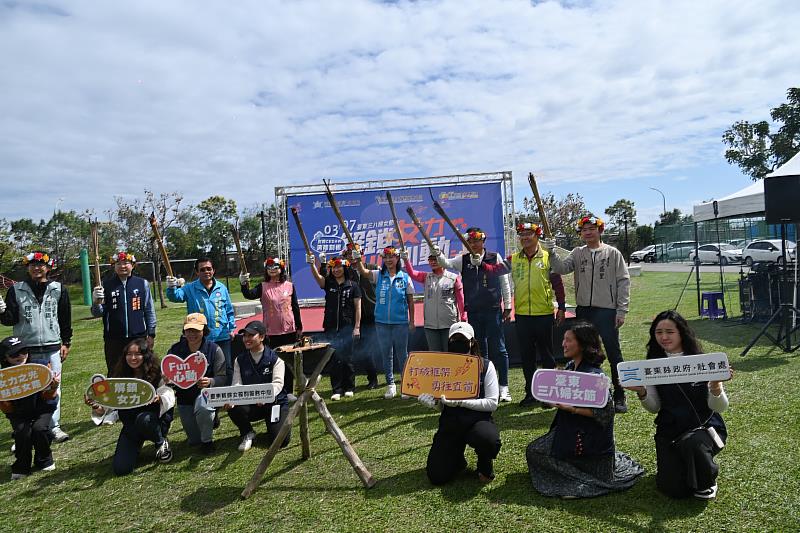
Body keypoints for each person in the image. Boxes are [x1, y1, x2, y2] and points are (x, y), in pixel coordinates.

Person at [526, 321, 643, 498]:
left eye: (569, 340)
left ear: (582, 344)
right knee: (534, 451)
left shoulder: (595, 377)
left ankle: (587, 483)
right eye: (564, 339)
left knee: (537, 453)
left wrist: (573, 409)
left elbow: (605, 414)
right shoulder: (570, 367)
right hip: (569, 432)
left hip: (590, 441)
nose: (563, 344)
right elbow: (558, 402)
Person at [626, 310, 729, 500]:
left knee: (693, 445)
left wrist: (715, 386)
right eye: (658, 332)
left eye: (670, 331)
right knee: (673, 489)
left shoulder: (702, 362)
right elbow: (654, 407)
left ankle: (708, 479)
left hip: (703, 427)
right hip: (670, 429)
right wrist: (642, 392)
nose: (664, 337)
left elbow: (720, 407)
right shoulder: (652, 366)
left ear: (682, 332)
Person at [544, 215, 631, 413]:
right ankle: (585, 391)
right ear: (580, 233)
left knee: (613, 351)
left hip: (607, 310)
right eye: (584, 230)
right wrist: (551, 251)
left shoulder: (612, 253)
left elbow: (623, 282)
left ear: (600, 230)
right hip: (584, 309)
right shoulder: (577, 253)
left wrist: (622, 309)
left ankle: (620, 393)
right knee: (583, 351)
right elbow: (560, 268)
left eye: (592, 228)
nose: (588, 232)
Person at [481, 223, 566, 407]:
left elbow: (557, 284)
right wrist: (479, 259)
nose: (525, 237)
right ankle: (530, 393)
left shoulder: (547, 257)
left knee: (547, 357)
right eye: (521, 234)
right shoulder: (514, 259)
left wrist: (561, 307)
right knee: (527, 357)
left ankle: (549, 396)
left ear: (537, 236)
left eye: (529, 234)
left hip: (543, 314)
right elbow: (494, 271)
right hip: (522, 315)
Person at [0, 251, 71, 443]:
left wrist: (66, 342)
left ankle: (53, 427)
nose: (36, 268)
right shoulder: (17, 290)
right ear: (27, 268)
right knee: (24, 390)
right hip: (24, 350)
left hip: (52, 346)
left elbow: (64, 318)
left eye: (40, 264)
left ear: (48, 267)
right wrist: (1, 311)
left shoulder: (58, 289)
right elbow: (10, 320)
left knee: (54, 386)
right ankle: (25, 431)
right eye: (32, 265)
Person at [435, 227, 513, 402]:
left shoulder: (494, 257)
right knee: (479, 350)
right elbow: (445, 263)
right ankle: (484, 386)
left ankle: (504, 387)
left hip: (493, 309)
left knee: (499, 348)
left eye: (477, 240)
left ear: (483, 241)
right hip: (474, 311)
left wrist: (507, 305)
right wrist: (437, 253)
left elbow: (504, 282)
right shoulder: (463, 260)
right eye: (470, 241)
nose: (474, 244)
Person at [418, 322, 501, 484]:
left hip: (477, 421)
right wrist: (433, 403)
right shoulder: (442, 369)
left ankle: (485, 465)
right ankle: (457, 461)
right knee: (437, 476)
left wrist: (462, 402)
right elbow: (442, 404)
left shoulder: (485, 366)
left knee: (487, 439)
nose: (458, 343)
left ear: (472, 342)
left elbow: (492, 403)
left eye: (462, 340)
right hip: (451, 423)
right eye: (454, 339)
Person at [84, 339, 175, 476]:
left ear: (145, 355)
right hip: (131, 426)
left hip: (154, 421)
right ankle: (135, 447)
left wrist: (159, 398)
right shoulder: (120, 378)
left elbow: (169, 394)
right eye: (129, 354)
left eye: (138, 354)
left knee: (143, 419)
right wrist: (97, 406)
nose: (133, 358)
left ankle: (161, 442)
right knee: (121, 469)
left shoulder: (157, 374)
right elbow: (107, 406)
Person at [353, 245, 415, 399]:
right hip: (381, 323)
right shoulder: (378, 275)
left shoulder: (405, 278)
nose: (388, 260)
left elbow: (411, 302)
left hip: (400, 322)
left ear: (397, 258)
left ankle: (405, 385)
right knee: (386, 354)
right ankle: (391, 385)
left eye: (391, 257)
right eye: (385, 257)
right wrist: (358, 259)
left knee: (402, 354)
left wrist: (412, 321)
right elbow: (363, 272)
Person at [166, 257, 236, 384]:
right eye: (202, 269)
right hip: (200, 336)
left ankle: (227, 398)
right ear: (197, 272)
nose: (206, 272)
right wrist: (172, 287)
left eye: (209, 269)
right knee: (200, 367)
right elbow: (175, 297)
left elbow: (229, 310)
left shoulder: (222, 288)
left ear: (213, 270)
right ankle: (200, 395)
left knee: (226, 367)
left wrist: (231, 328)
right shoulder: (190, 288)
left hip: (222, 335)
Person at [166, 313, 226, 453]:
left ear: (204, 330)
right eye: (188, 330)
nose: (192, 334)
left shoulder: (214, 349)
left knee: (204, 409)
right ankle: (210, 421)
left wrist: (210, 381)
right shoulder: (175, 350)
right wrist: (168, 380)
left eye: (196, 330)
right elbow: (167, 374)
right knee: (194, 441)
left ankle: (208, 442)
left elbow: (223, 377)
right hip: (184, 397)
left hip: (206, 394)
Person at [0, 336, 59, 480]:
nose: (20, 356)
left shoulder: (41, 366)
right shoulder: (4, 377)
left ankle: (44, 459)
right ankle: (22, 465)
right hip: (18, 412)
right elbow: (7, 408)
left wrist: (53, 386)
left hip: (42, 407)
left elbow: (49, 396)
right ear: (4, 357)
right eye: (14, 354)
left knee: (39, 429)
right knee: (22, 432)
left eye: (24, 351)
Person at [226, 320, 290, 452]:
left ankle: (275, 423)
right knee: (233, 407)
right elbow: (237, 384)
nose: (246, 339)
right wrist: (232, 400)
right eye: (245, 336)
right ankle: (248, 433)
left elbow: (278, 384)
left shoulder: (275, 359)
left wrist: (265, 396)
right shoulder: (240, 359)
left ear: (261, 337)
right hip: (252, 403)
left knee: (280, 441)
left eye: (251, 335)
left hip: (274, 403)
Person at [91, 250, 157, 373]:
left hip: (138, 337)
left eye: (126, 263)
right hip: (114, 338)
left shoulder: (142, 284)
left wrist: (151, 333)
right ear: (113, 266)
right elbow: (97, 313)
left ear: (133, 265)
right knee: (115, 371)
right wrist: (96, 301)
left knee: (141, 370)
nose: (122, 266)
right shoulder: (106, 285)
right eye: (118, 263)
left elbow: (149, 309)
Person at [308, 255, 361, 400]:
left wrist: (357, 327)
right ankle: (336, 389)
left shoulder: (353, 285)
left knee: (348, 358)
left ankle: (349, 387)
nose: (336, 270)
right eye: (334, 267)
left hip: (348, 327)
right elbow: (317, 277)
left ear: (345, 268)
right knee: (333, 359)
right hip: (331, 327)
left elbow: (358, 308)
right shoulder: (329, 284)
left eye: (339, 267)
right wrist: (312, 264)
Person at [404, 251, 466, 352]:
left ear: (442, 260)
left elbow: (461, 299)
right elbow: (412, 273)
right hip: (430, 325)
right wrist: (406, 259)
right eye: (430, 260)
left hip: (449, 323)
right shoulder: (426, 277)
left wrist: (464, 316)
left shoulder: (454, 278)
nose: (433, 262)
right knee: (435, 353)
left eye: (436, 259)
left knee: (450, 352)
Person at [239, 257, 303, 348]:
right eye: (269, 267)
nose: (272, 269)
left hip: (289, 330)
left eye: (275, 267)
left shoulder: (289, 286)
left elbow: (295, 307)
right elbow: (249, 295)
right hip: (271, 331)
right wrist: (243, 284)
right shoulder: (262, 286)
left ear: (281, 269)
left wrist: (299, 327)